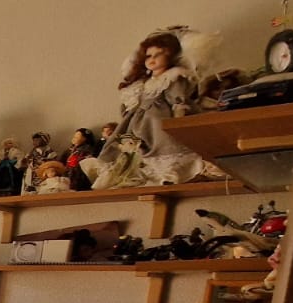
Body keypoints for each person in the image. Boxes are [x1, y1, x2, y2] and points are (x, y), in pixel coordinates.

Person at [86, 32, 210, 188]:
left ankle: (168, 172)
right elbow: (131, 105)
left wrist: (179, 115)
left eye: (158, 55)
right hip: (137, 123)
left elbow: (177, 98)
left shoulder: (172, 76)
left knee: (163, 142)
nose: (152, 59)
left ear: (170, 56)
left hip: (157, 121)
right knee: (127, 147)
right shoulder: (141, 83)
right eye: (149, 56)